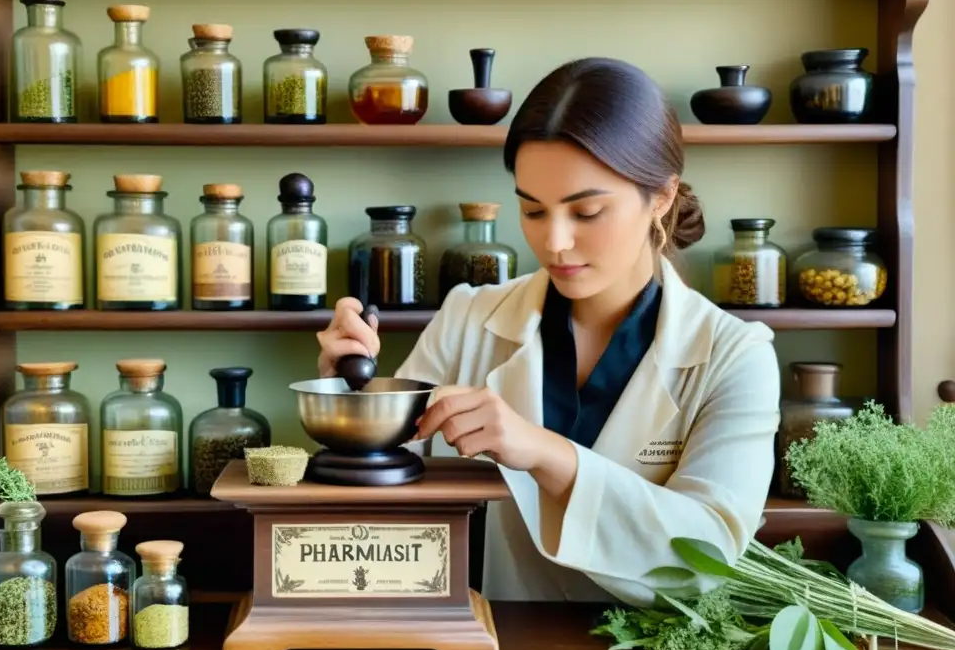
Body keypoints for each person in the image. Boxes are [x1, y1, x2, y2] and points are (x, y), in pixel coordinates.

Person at [316, 57, 780, 606]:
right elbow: (373, 491)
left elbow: (709, 558)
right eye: (534, 212)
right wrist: (348, 394)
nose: (555, 242)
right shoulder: (469, 318)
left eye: (585, 213)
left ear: (661, 196)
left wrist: (543, 452)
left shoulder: (734, 355)